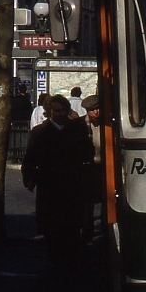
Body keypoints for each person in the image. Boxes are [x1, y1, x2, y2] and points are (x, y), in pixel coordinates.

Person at [21, 95, 93, 266]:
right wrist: (29, 178)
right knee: (52, 225)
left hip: (71, 182)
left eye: (63, 110)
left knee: (72, 224)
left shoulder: (76, 129)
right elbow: (30, 157)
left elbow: (87, 151)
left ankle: (71, 257)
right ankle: (55, 256)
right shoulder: (39, 132)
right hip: (49, 183)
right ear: (49, 112)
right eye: (56, 111)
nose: (60, 114)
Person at [79, 95, 104, 243]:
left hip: (104, 167)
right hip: (87, 168)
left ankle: (105, 230)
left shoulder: (109, 124)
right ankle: (87, 233)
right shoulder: (79, 125)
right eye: (92, 110)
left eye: (98, 109)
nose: (96, 113)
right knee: (87, 204)